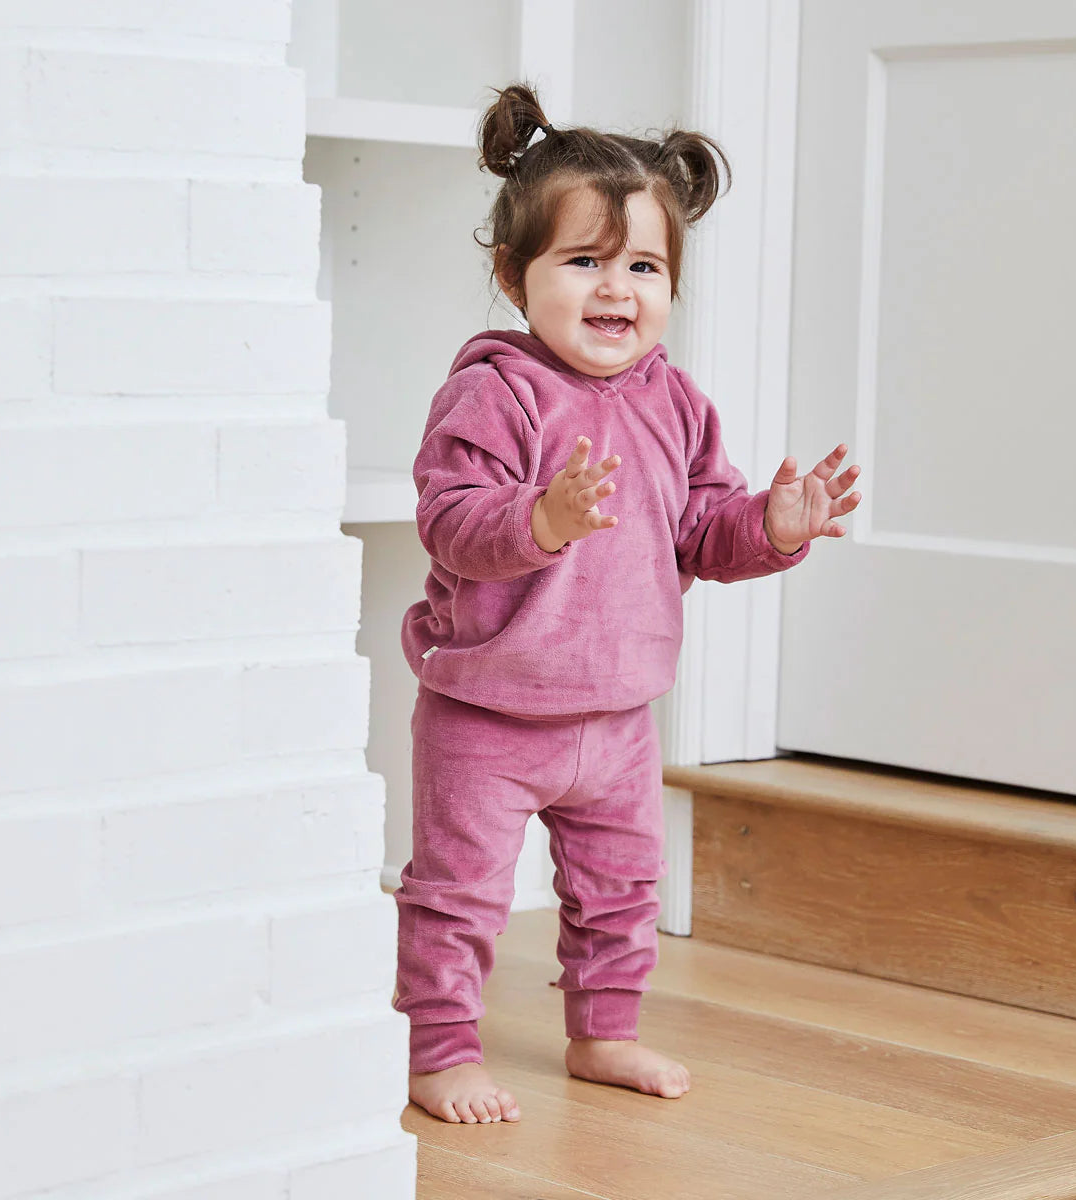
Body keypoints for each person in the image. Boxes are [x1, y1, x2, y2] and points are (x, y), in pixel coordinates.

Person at [393, 81, 862, 1126]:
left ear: (672, 285)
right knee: (459, 895)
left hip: (616, 717)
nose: (617, 289)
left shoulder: (676, 402)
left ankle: (603, 1033)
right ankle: (440, 1051)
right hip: (486, 714)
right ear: (514, 276)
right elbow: (450, 521)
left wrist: (774, 526)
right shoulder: (494, 394)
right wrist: (541, 519)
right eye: (584, 261)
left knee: (621, 890)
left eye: (643, 267)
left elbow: (701, 532)